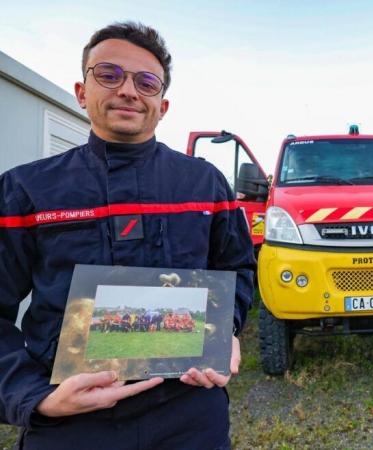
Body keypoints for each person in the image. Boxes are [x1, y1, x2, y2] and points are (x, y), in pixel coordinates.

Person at [0, 22, 255, 449]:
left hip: (190, 412)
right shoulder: (26, 191)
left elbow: (237, 268)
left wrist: (224, 329)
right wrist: (33, 397)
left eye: (146, 81)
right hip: (71, 419)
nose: (128, 91)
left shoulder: (205, 184)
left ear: (163, 104)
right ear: (82, 92)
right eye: (109, 74)